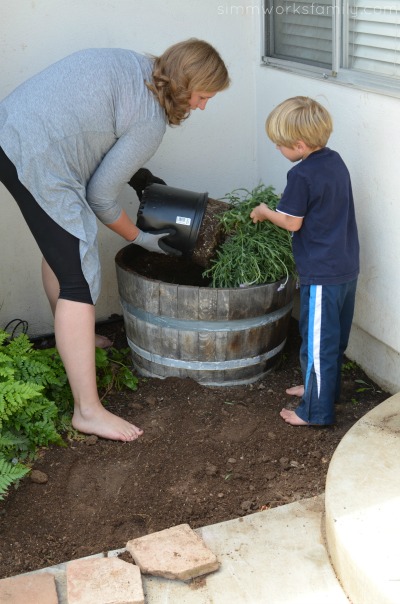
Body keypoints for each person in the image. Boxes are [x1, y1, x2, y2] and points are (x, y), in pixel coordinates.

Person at [0, 39, 230, 441]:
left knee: (64, 246)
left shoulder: (135, 64)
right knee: (78, 275)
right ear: (186, 82)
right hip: (36, 156)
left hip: (10, 129)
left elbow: (96, 130)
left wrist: (141, 178)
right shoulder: (150, 122)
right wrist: (142, 238)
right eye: (203, 96)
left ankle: (76, 339)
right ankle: (87, 411)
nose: (203, 106)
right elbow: (101, 198)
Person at [250, 96, 359, 426]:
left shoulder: (301, 176)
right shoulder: (335, 161)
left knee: (317, 344)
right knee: (332, 340)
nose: (279, 150)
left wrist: (266, 211)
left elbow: (292, 222)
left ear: (298, 144)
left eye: (280, 145)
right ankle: (323, 391)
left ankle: (315, 412)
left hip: (322, 273)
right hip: (345, 266)